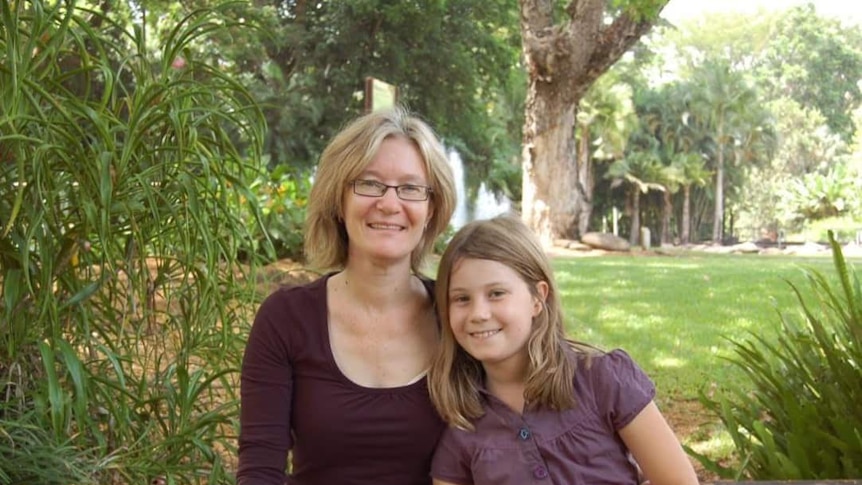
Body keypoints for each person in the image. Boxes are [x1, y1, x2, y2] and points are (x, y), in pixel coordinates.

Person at [237, 106, 457, 485]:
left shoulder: (459, 318)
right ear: (339, 200)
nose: (390, 204)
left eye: (410, 188)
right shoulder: (286, 319)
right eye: (369, 183)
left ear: (431, 208)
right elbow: (260, 469)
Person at [427, 214, 699, 485]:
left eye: (496, 293)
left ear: (537, 298)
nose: (478, 313)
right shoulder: (462, 427)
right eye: (462, 298)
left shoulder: (603, 381)